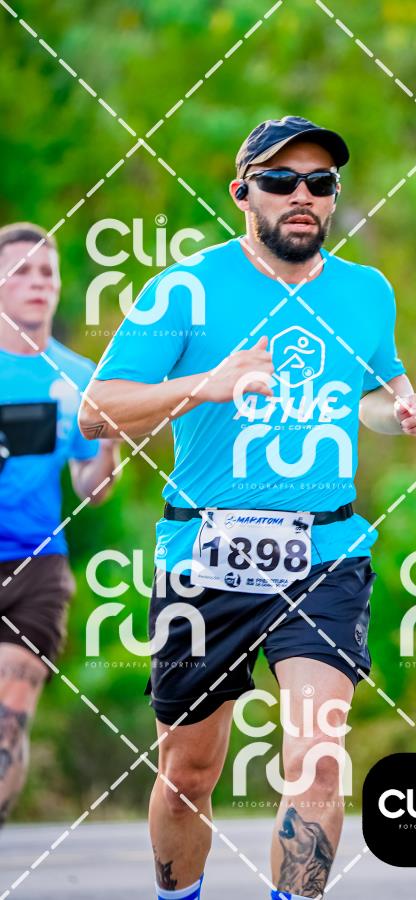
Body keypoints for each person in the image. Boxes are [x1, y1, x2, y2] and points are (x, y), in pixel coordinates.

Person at [79, 116, 416, 900]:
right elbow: (96, 412)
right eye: (281, 181)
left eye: (319, 182)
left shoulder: (365, 291)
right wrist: (203, 385)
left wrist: (406, 411)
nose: (302, 195)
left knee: (318, 760)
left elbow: (374, 394)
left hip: (325, 554)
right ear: (243, 193)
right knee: (189, 771)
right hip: (204, 558)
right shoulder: (185, 289)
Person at [0, 223, 120, 825]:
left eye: (47, 272)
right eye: (21, 271)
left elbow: (91, 490)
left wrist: (110, 445)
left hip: (37, 565)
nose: (37, 282)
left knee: (8, 715)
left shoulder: (79, 377)